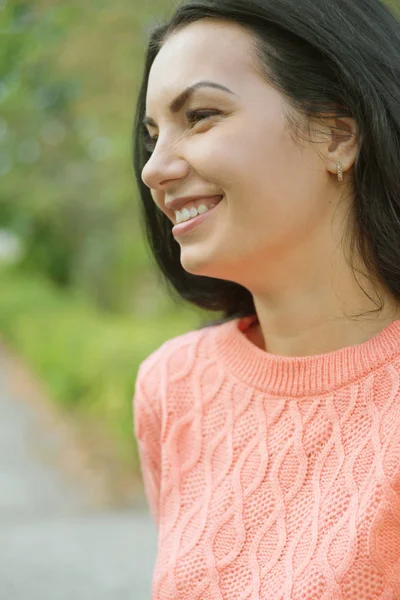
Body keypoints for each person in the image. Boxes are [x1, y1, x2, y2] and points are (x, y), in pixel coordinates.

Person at [132, 0, 400, 597]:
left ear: (338, 135)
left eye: (200, 116)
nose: (153, 168)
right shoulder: (175, 388)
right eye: (152, 137)